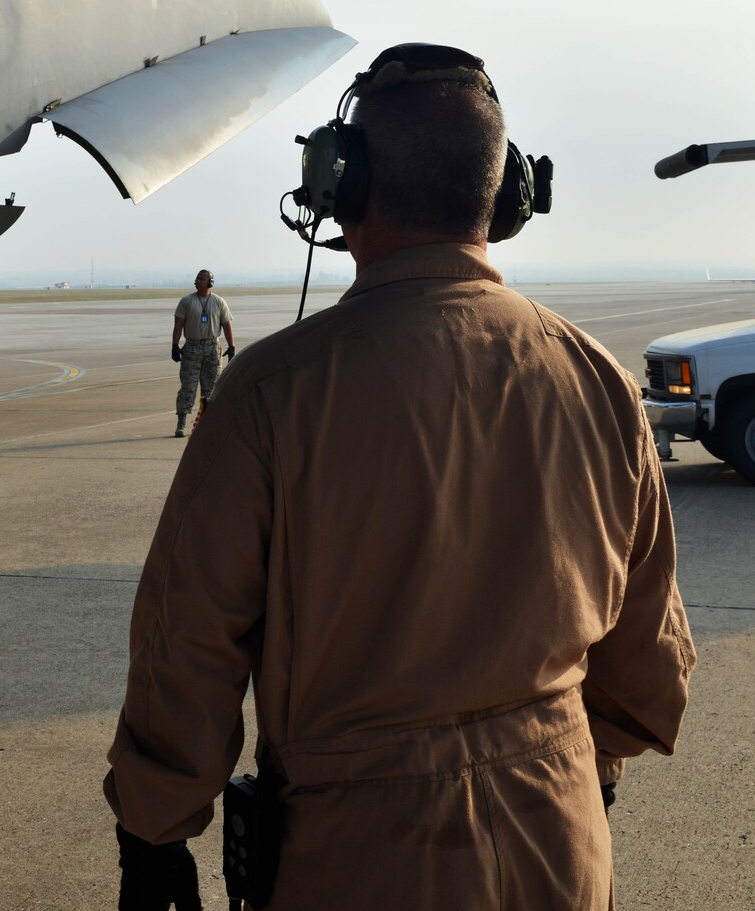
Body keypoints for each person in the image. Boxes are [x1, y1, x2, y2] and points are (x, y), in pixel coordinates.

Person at [106, 47, 693, 910]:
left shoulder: (270, 395)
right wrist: (578, 766)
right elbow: (647, 659)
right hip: (563, 845)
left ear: (346, 184)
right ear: (506, 196)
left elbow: (186, 642)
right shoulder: (598, 379)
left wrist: (152, 841)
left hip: (356, 858)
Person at [169, 269, 235, 437]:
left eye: (202, 278)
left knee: (211, 389)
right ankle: (181, 422)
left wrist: (231, 346)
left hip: (212, 348)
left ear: (210, 282)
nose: (198, 280)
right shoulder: (186, 301)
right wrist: (175, 346)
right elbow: (178, 325)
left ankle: (206, 423)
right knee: (188, 386)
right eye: (197, 278)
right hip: (192, 348)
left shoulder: (219, 302)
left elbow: (227, 325)